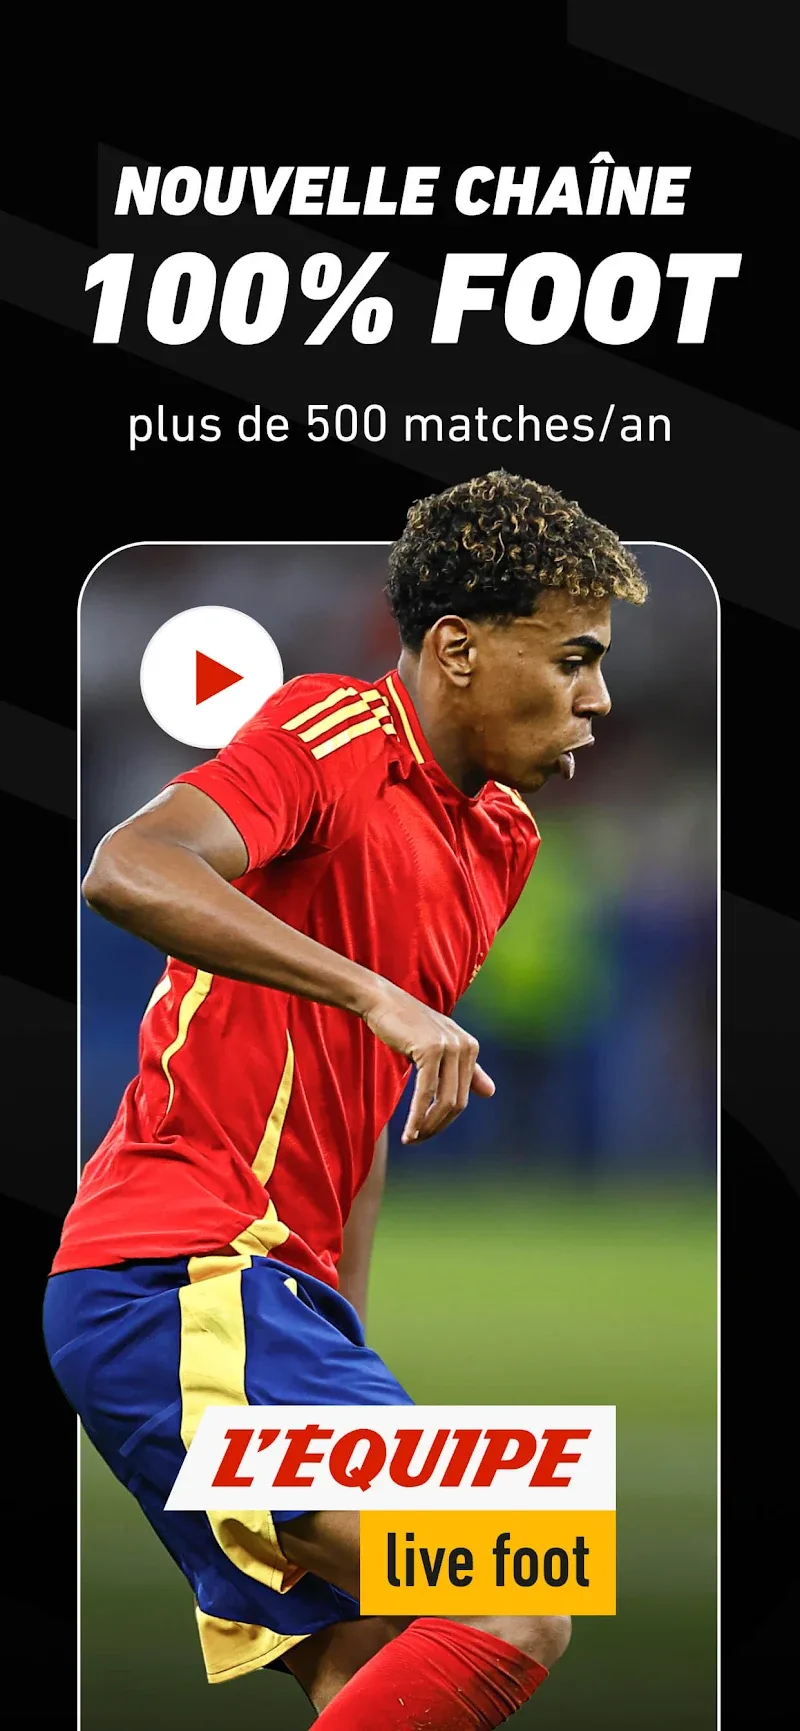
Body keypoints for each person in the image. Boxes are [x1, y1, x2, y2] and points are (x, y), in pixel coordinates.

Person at [44, 471, 647, 1728]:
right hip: (181, 1276)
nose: (597, 698)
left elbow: (362, 1111)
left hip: (278, 1299)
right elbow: (128, 864)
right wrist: (375, 993)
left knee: (375, 1673)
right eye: (573, 658)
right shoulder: (335, 731)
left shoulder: (499, 841)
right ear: (457, 650)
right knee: (517, 1582)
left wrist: (344, 1334)